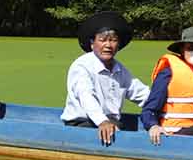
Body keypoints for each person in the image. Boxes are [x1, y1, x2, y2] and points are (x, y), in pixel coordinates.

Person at [62, 11, 150, 145]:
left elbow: (141, 93)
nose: (108, 45)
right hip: (82, 125)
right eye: (102, 40)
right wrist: (102, 121)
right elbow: (86, 96)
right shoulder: (82, 66)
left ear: (118, 44)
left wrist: (167, 107)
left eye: (113, 40)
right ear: (92, 43)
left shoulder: (120, 70)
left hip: (112, 123)